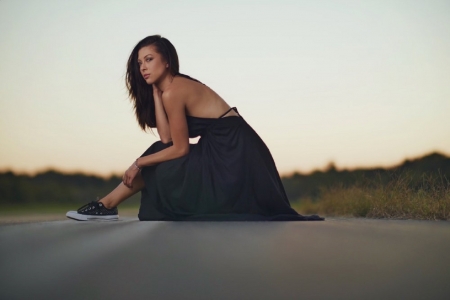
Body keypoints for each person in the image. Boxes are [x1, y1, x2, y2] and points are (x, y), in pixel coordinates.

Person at [66, 35, 324, 222]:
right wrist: (156, 93)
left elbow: (178, 149)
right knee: (159, 153)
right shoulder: (168, 91)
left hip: (235, 153)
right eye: (139, 62)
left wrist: (138, 163)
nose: (143, 67)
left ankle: (107, 205)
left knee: (157, 158)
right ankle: (107, 205)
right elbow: (167, 138)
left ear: (166, 61)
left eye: (149, 59)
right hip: (227, 149)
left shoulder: (176, 90)